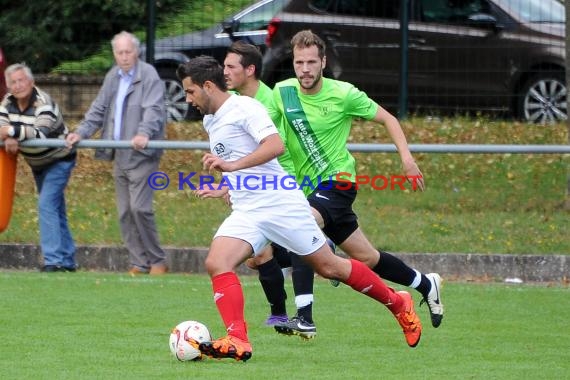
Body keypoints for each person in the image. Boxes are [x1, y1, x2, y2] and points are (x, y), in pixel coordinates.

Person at [176, 55, 423, 362]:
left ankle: (398, 302)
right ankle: (238, 339)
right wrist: (227, 184)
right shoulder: (211, 119)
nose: (188, 99)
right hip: (248, 210)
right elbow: (246, 162)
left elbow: (274, 146)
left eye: (190, 91)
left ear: (208, 86)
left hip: (281, 205)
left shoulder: (246, 109)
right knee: (217, 262)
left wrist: (231, 165)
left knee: (329, 267)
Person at [269, 30, 444, 331]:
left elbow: (389, 118)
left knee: (300, 224)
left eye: (312, 62)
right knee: (367, 257)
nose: (306, 69)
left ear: (323, 62)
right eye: (300, 62)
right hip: (307, 189)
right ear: (293, 63)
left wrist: (407, 159)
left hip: (338, 183)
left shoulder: (344, 93)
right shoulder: (281, 92)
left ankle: (305, 317)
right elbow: (266, 135)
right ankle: (426, 284)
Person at [223, 40, 318, 336]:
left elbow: (279, 144)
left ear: (249, 70)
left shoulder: (269, 99)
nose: (223, 72)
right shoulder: (233, 101)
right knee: (256, 256)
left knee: (258, 254)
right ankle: (320, 254)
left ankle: (281, 313)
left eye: (230, 67)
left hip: (277, 182)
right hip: (252, 183)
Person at [65, 31, 167, 275]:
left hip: (142, 154)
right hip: (120, 154)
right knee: (124, 212)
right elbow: (98, 109)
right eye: (119, 52)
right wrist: (81, 132)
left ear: (137, 52)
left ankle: (157, 261)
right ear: (114, 54)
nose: (124, 57)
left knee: (140, 208)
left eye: (128, 51)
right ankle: (138, 262)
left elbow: (153, 110)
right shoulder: (113, 76)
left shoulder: (148, 75)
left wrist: (144, 133)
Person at [0, 63, 77, 272]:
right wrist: (7, 134)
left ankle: (53, 261)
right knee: (55, 209)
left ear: (31, 82)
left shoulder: (44, 102)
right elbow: (0, 127)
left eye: (21, 80)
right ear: (8, 87)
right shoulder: (7, 103)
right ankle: (68, 260)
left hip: (59, 160)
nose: (17, 86)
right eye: (13, 82)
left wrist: (11, 132)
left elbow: (40, 132)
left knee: (45, 204)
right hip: (38, 163)